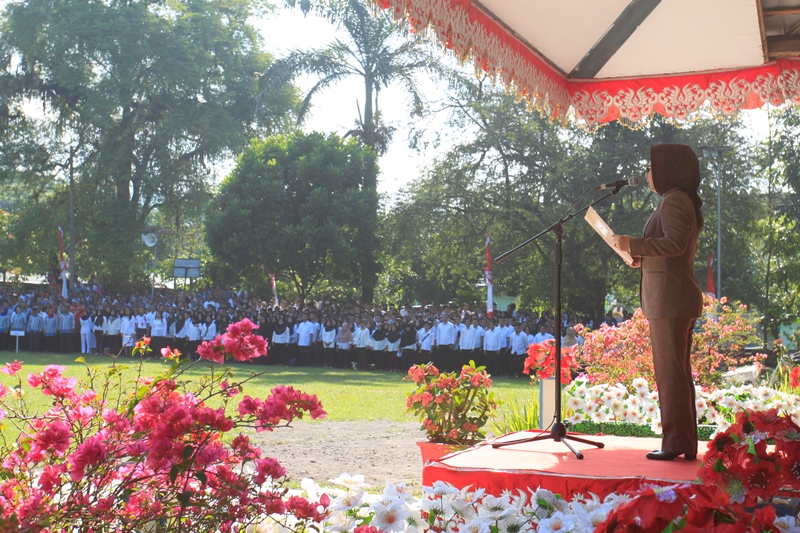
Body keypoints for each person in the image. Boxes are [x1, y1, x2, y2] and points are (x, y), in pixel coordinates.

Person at [612, 143, 704, 462]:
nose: (648, 173)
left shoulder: (674, 199)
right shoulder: (676, 199)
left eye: (651, 167)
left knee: (670, 375)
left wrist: (633, 243)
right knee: (676, 373)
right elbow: (669, 248)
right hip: (673, 298)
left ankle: (675, 442)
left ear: (669, 169)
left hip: (670, 301)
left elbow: (675, 244)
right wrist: (640, 256)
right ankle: (682, 442)